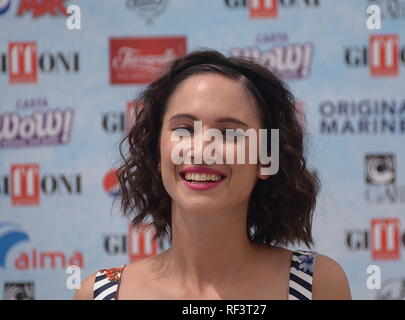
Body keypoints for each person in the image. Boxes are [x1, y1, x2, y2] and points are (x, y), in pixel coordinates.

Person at [74, 49, 351, 300]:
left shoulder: (317, 284)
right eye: (184, 129)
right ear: (157, 153)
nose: (202, 149)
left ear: (266, 158)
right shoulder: (101, 293)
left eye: (229, 133)